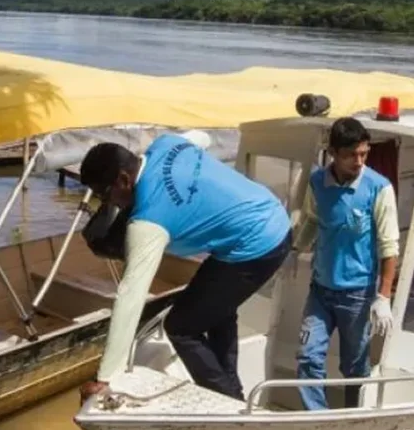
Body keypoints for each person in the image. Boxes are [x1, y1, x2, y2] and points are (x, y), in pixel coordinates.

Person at [77, 131, 293, 403]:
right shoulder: (167, 143)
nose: (108, 205)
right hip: (270, 213)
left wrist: (106, 378)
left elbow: (130, 297)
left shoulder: (148, 222)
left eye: (104, 195)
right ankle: (232, 391)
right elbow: (202, 137)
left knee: (181, 326)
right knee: (217, 306)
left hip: (260, 244)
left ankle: (226, 402)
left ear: (123, 179)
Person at [293, 117, 399, 410]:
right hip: (321, 289)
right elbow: (313, 220)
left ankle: (352, 413)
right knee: (308, 356)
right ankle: (317, 417)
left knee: (354, 367)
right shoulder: (317, 182)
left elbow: (389, 246)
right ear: (333, 153)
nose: (359, 161)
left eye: (364, 154)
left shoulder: (379, 188)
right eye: (351, 154)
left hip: (357, 294)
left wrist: (383, 296)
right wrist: (295, 250)